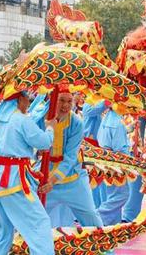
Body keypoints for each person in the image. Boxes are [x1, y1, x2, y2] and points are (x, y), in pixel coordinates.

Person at [0, 89, 55, 255]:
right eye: (27, 99)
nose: (29, 103)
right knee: (39, 224)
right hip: (13, 181)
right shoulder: (20, 119)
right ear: (20, 99)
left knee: (2, 231)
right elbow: (43, 142)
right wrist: (50, 129)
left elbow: (16, 144)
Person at [38, 85, 104, 229]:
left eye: (69, 101)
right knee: (33, 220)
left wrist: (52, 181)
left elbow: (70, 157)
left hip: (74, 180)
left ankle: (106, 251)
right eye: (61, 100)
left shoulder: (76, 123)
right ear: (52, 99)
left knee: (92, 219)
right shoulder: (39, 118)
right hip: (45, 180)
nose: (66, 105)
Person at [96, 108, 131, 225]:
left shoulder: (107, 117)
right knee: (122, 194)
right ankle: (99, 216)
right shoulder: (117, 123)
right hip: (115, 162)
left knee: (112, 194)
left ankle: (112, 225)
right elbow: (120, 148)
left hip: (104, 159)